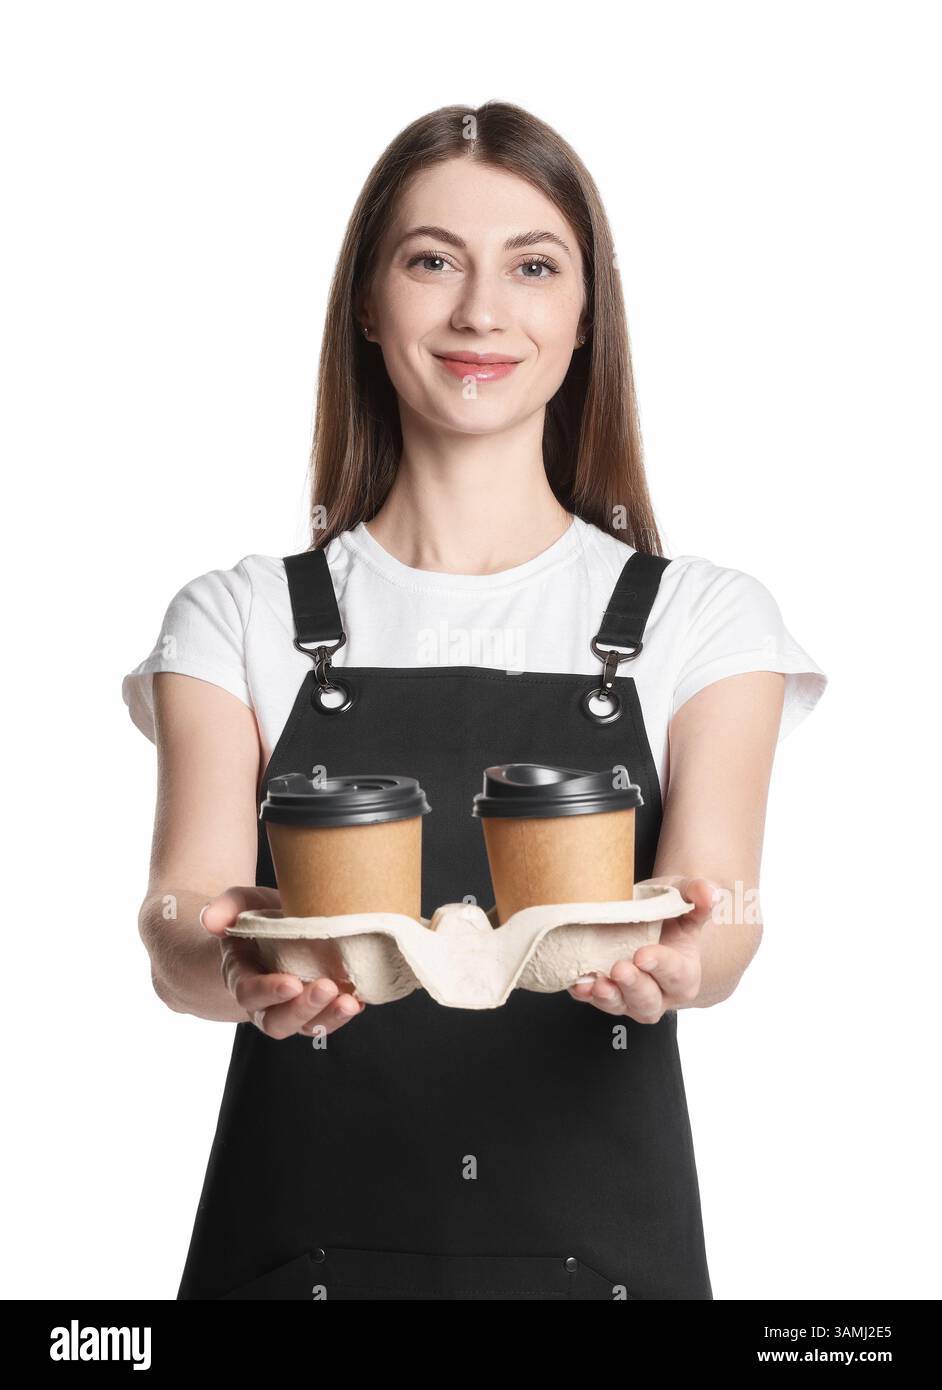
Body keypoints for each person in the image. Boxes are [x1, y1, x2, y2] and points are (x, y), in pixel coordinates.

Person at [123, 101, 827, 1301]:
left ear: (584, 314)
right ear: (367, 300)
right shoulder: (236, 614)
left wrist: (685, 958)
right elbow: (178, 915)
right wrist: (229, 958)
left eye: (533, 266)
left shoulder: (702, 617)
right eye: (433, 259)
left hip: (608, 1265)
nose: (479, 312)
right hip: (293, 1264)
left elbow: (729, 908)